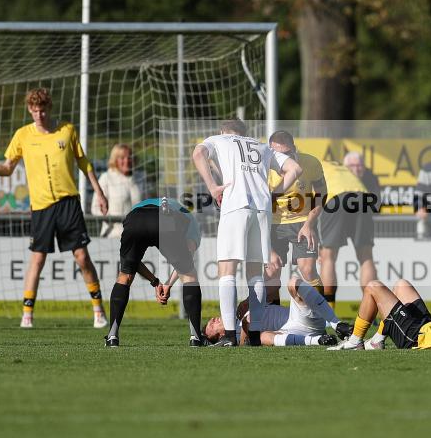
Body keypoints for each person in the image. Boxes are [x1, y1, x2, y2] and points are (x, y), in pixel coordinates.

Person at [0, 88, 109, 329]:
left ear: (50, 107)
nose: (39, 115)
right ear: (29, 110)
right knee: (37, 259)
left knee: (82, 257)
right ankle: (27, 314)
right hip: (41, 207)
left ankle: (98, 311)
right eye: (35, 111)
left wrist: (99, 192)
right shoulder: (23, 135)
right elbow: (7, 168)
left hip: (68, 203)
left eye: (43, 110)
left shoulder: (67, 130)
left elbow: (84, 162)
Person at [192, 118, 302, 346]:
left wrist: (212, 187)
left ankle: (230, 335)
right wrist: (274, 194)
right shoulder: (261, 145)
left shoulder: (219, 139)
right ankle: (254, 334)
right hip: (262, 209)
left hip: (236, 205)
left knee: (227, 269)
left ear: (224, 131)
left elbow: (198, 154)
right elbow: (294, 169)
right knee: (255, 273)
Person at [105, 196, 202, 348]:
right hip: (166, 219)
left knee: (125, 275)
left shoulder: (148, 205)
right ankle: (195, 338)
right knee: (189, 275)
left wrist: (155, 281)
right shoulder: (193, 225)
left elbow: (134, 263)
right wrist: (168, 284)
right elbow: (186, 263)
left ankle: (112, 337)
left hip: (135, 218)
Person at [204, 276, 351, 347]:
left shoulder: (243, 308)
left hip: (302, 319)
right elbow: (244, 343)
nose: (214, 319)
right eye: (212, 325)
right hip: (292, 334)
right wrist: (246, 321)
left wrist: (250, 300)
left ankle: (337, 325)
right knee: (262, 337)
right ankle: (318, 341)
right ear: (221, 335)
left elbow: (275, 284)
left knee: (294, 282)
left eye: (212, 320)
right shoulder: (234, 336)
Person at [267, 131, 326, 296]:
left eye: (287, 153)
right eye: (278, 154)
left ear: (294, 148)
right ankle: (273, 317)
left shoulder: (311, 163)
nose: (283, 159)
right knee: (271, 272)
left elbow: (321, 195)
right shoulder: (263, 167)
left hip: (302, 221)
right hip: (273, 223)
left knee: (307, 270)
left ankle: (322, 317)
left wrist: (309, 224)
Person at [318, 159, 377, 309]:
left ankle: (328, 309)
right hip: (362, 196)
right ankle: (370, 309)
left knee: (328, 257)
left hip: (336, 197)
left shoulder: (305, 165)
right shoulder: (336, 165)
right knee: (366, 257)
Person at [93, 143, 142, 239]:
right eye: (122, 158)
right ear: (115, 160)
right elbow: (95, 208)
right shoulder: (106, 178)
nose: (127, 161)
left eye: (129, 157)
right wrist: (112, 220)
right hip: (113, 236)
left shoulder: (139, 178)